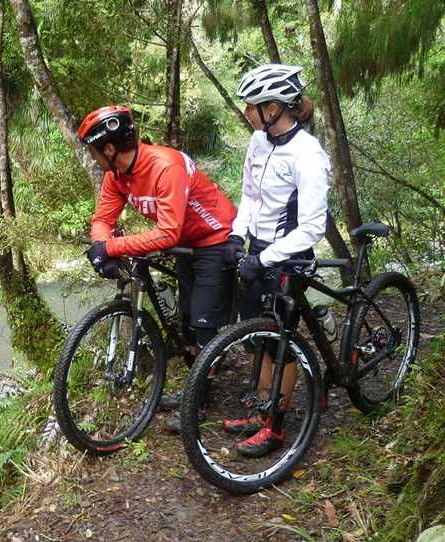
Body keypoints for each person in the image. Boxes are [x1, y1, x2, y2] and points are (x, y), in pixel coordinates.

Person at [78, 106, 238, 431]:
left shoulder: (166, 166)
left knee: (205, 329)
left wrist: (110, 247)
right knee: (188, 324)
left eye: (94, 151)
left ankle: (198, 404)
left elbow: (167, 232)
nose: (94, 158)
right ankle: (196, 389)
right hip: (186, 246)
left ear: (108, 149)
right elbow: (103, 219)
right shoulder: (117, 176)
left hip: (216, 239)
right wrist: (100, 246)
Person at [222, 64, 331, 457]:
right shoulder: (258, 141)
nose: (246, 113)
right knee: (256, 336)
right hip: (258, 250)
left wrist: (265, 257)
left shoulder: (308, 154)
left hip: (289, 256)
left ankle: (277, 427)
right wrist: (238, 235)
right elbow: (250, 195)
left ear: (273, 108)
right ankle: (260, 409)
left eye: (251, 106)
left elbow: (313, 227)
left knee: (280, 342)